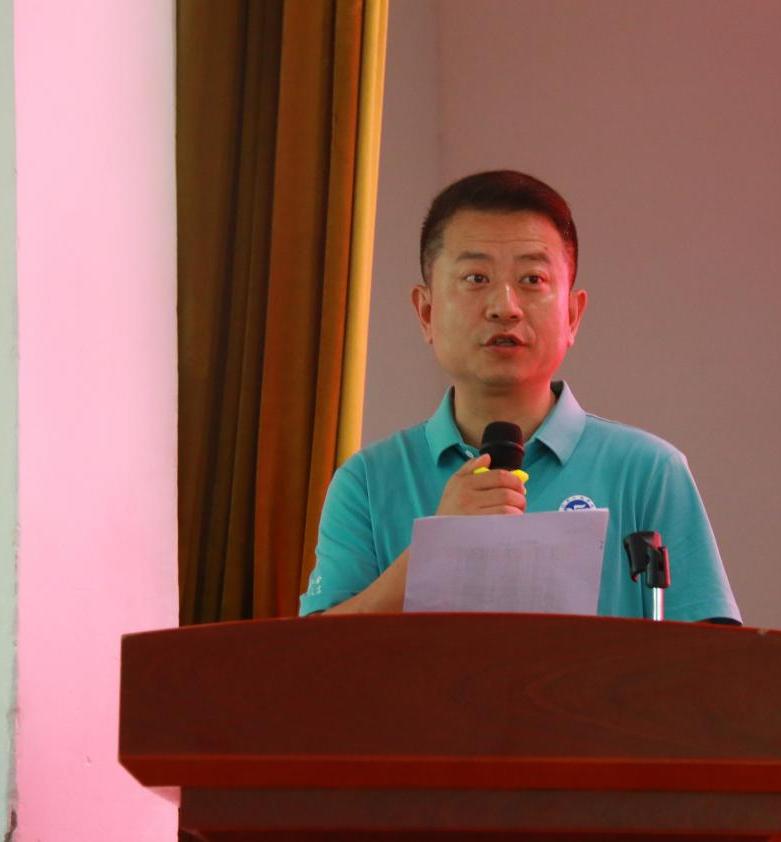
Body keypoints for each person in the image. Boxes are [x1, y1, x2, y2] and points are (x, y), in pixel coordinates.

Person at [299, 170, 739, 623]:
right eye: (476, 278)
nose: (504, 307)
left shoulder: (648, 472)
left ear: (572, 315)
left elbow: (709, 657)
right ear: (426, 312)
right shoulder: (369, 482)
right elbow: (312, 655)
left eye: (532, 279)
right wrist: (435, 552)